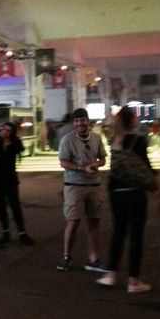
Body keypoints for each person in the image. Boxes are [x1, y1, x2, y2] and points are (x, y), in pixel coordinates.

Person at [97, 105, 160, 293]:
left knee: (118, 232)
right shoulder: (138, 140)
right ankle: (133, 281)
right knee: (136, 235)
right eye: (135, 117)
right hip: (135, 193)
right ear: (132, 120)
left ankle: (110, 275)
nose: (137, 119)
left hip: (115, 192)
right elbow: (149, 169)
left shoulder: (114, 140)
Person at [57, 107, 106, 272]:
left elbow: (103, 159)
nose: (80, 123)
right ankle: (66, 257)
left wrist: (96, 164)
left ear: (88, 121)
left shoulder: (97, 138)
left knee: (94, 222)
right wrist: (81, 168)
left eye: (82, 120)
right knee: (73, 222)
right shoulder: (67, 140)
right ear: (73, 123)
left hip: (94, 185)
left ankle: (94, 258)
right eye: (77, 121)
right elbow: (63, 162)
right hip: (74, 186)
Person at [0, 122, 33, 245]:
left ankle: (22, 233)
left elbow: (21, 149)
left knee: (15, 206)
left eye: (8, 130)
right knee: (1, 207)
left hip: (10, 179)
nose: (4, 132)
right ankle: (6, 232)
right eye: (3, 129)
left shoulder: (15, 143)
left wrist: (14, 140)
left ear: (11, 133)